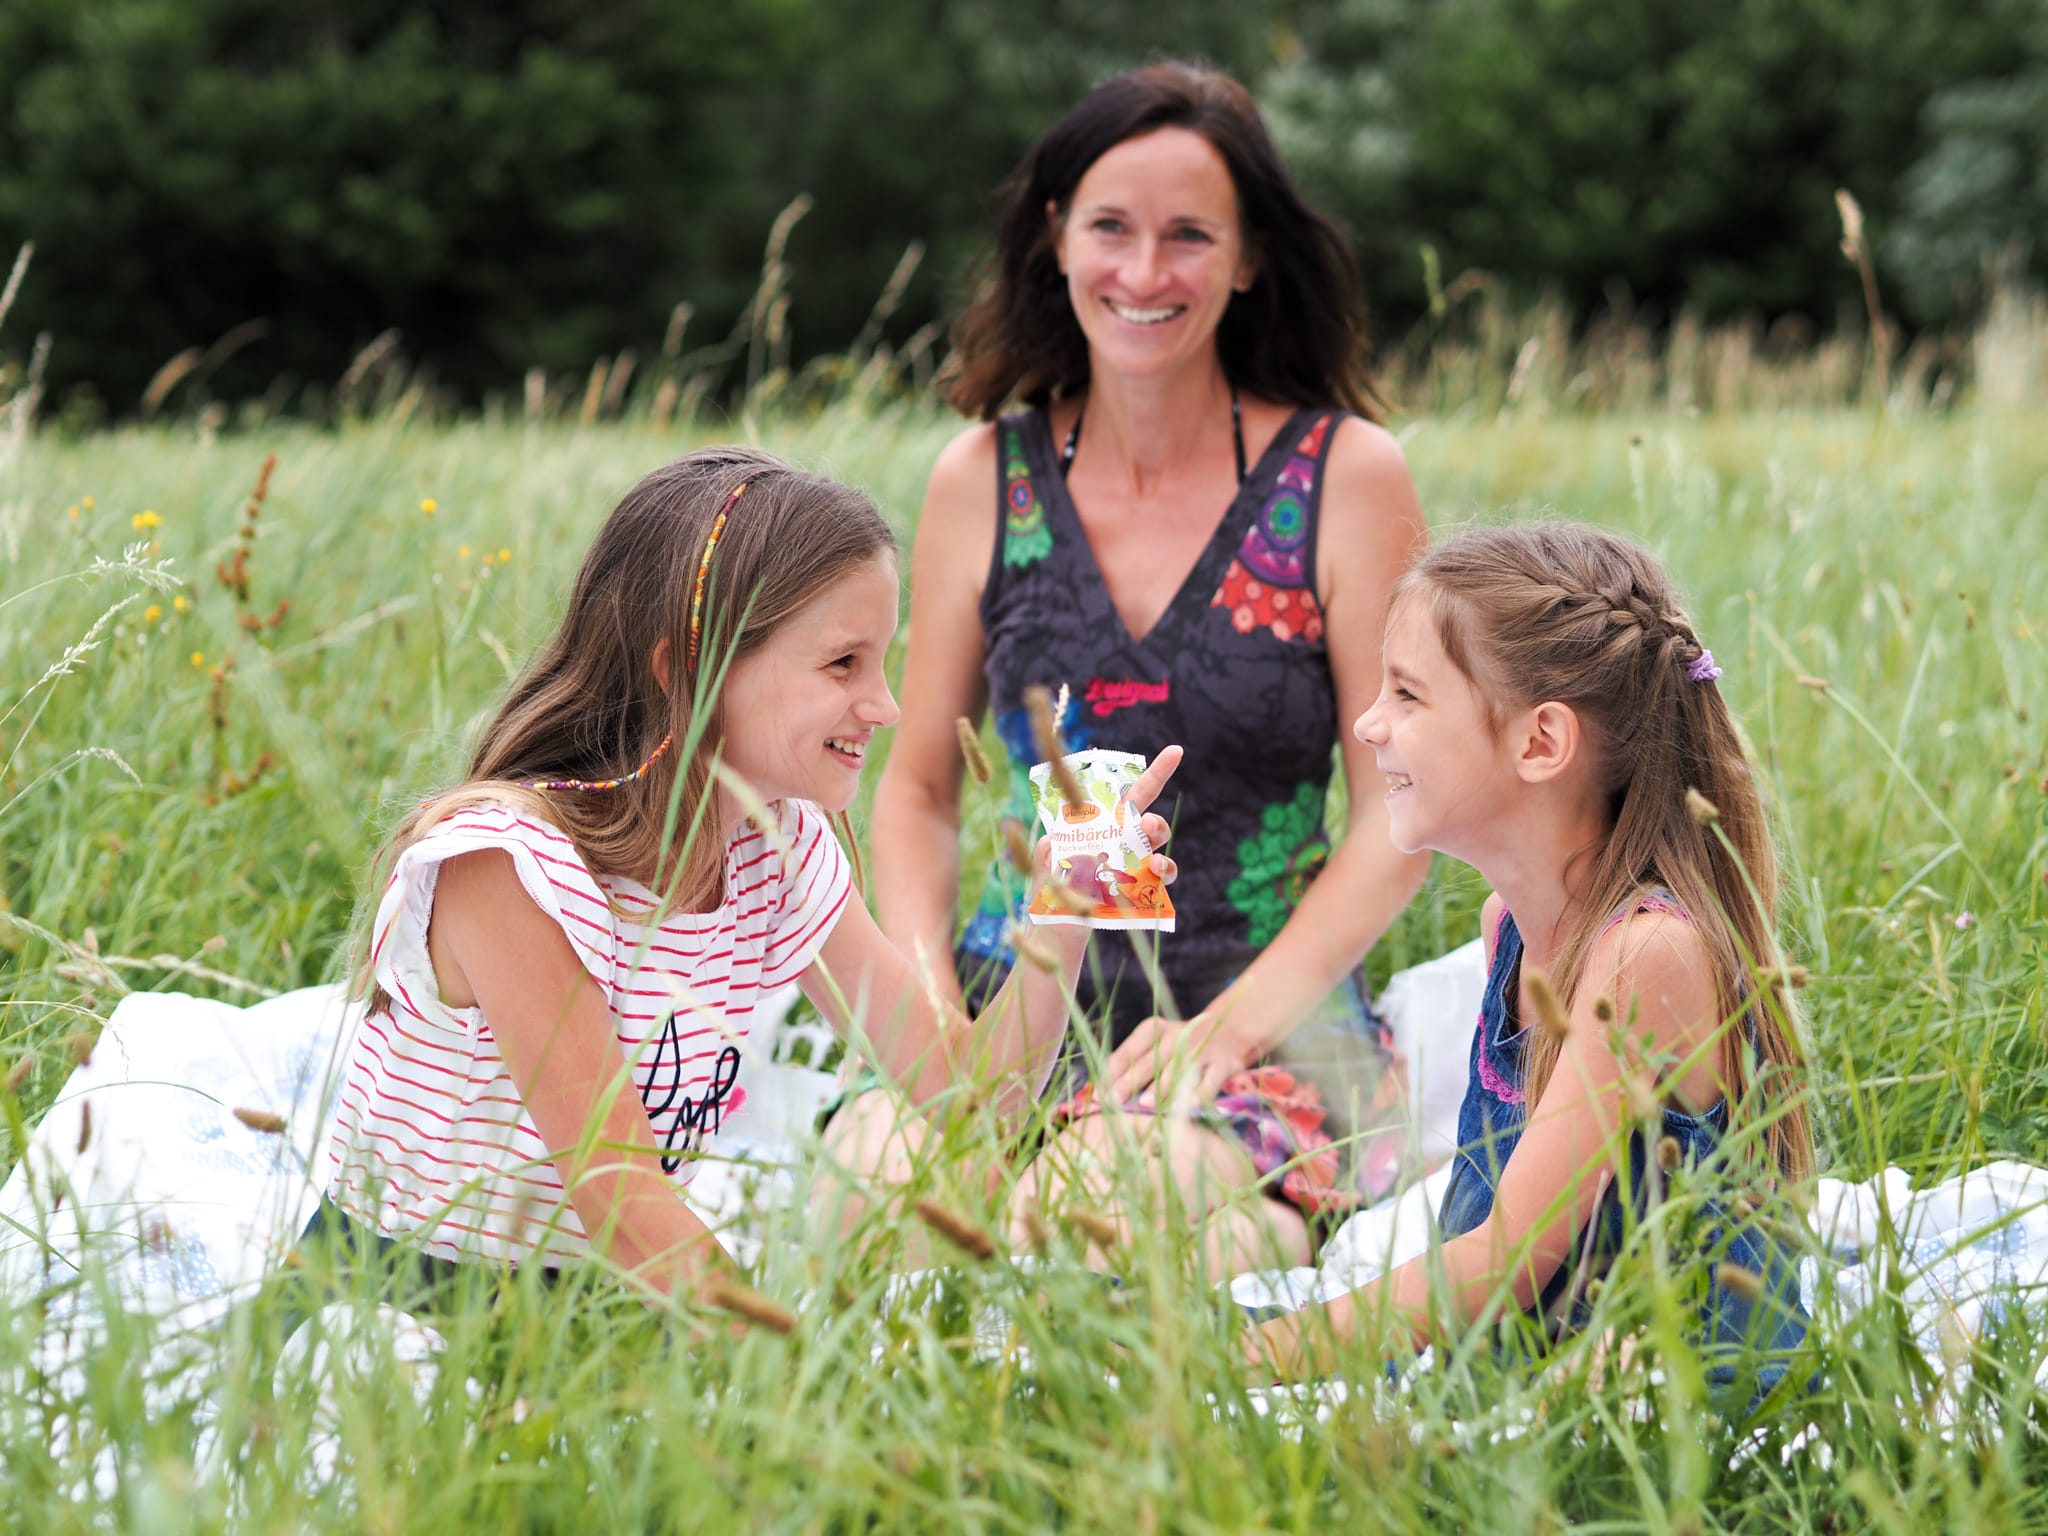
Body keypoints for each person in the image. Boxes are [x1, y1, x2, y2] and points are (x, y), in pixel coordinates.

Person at [313, 447, 1180, 1301]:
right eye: (842, 663)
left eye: (881, 661)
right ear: (690, 673)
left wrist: (1062, 908)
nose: (884, 705)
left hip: (605, 1303)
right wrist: (786, 1372)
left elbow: (970, 1103)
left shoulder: (776, 845)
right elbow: (622, 1199)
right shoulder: (507, 865)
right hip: (409, 1302)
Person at [830, 60, 1430, 1275]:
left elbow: (1396, 812)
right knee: (866, 1201)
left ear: (1248, 256)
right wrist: (934, 999)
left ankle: (1263, 1229)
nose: (1144, 273)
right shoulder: (980, 480)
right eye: (1110, 228)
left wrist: (1226, 1030)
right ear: (1056, 239)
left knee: (1087, 1221)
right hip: (1022, 988)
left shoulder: (1344, 478)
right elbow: (915, 790)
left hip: (1256, 1007)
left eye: (1188, 236)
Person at [1245, 524, 1813, 1404]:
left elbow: (1503, 1258)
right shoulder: (1508, 929)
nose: (1366, 722)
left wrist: (1245, 1358)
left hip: (1665, 1395)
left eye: (1407, 694)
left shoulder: (1646, 953)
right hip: (1526, 1366)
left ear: (1541, 743)